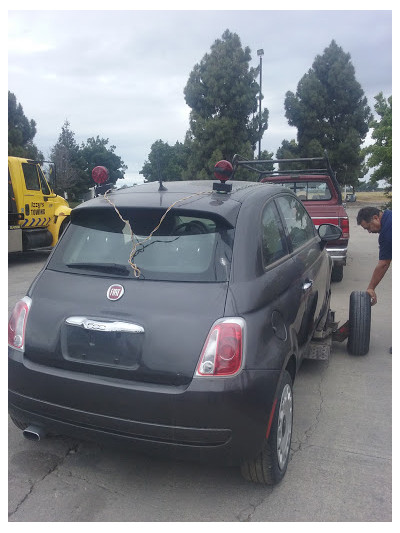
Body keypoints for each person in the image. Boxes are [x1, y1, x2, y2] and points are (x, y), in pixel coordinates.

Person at [356, 206, 392, 306]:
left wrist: (371, 287)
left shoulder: (387, 232)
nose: (370, 231)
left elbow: (384, 264)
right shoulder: (390, 215)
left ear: (376, 218)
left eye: (368, 227)